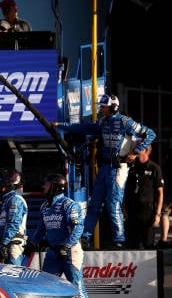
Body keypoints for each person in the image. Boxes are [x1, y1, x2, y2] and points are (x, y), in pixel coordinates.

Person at [53, 94, 156, 249]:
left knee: (113, 204)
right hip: (104, 168)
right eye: (100, 105)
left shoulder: (125, 121)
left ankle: (119, 240)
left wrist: (136, 152)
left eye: (103, 106)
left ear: (113, 107)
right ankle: (85, 237)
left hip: (119, 168)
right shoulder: (102, 121)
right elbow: (83, 127)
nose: (100, 108)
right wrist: (60, 125)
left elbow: (150, 134)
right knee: (94, 203)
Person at [30, 173, 95, 298]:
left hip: (70, 252)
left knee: (77, 287)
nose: (42, 187)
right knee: (45, 287)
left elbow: (78, 229)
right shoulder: (44, 206)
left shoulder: (69, 205)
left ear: (54, 186)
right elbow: (41, 228)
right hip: (53, 253)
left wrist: (66, 246)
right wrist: (32, 242)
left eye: (45, 184)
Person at [123, 145, 164, 249]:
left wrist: (158, 214)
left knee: (148, 244)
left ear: (146, 150)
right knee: (131, 245)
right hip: (132, 211)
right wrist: (123, 207)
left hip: (147, 212)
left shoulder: (154, 168)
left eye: (139, 148)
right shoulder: (131, 167)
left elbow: (160, 193)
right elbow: (124, 188)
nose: (135, 149)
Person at [0, 169, 28, 265]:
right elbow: (0, 226)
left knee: (13, 275)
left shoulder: (15, 199)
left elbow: (13, 224)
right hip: (3, 243)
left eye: (0, 180)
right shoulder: (4, 200)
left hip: (13, 242)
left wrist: (4, 243)